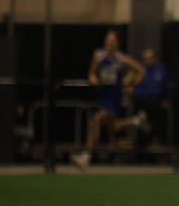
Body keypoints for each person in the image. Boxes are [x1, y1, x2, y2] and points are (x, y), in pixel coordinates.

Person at [73, 30, 145, 170]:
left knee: (96, 119)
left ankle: (86, 156)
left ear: (118, 43)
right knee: (113, 127)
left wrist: (132, 86)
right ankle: (135, 121)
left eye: (112, 41)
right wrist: (93, 78)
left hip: (115, 96)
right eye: (107, 40)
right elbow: (92, 71)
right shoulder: (98, 55)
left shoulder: (122, 59)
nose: (108, 43)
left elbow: (141, 70)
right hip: (104, 95)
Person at [132, 48, 172, 148]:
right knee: (139, 119)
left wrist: (167, 99)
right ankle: (141, 145)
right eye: (145, 59)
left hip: (155, 102)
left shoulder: (162, 69)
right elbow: (130, 85)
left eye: (149, 59)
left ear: (155, 58)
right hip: (141, 101)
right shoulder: (140, 69)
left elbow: (168, 86)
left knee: (157, 118)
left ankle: (154, 142)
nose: (146, 61)